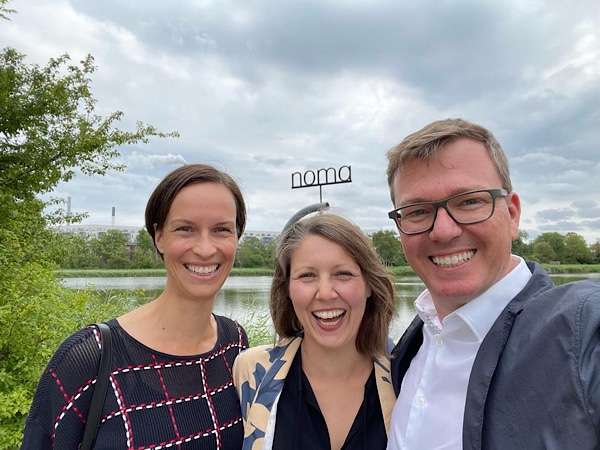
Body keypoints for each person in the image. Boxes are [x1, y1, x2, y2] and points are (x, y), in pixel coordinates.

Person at [385, 118, 600, 450]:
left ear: (512, 214)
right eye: (417, 211)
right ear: (401, 231)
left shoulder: (582, 330)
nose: (443, 231)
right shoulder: (412, 344)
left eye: (469, 201)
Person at [22, 164, 249, 449]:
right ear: (159, 236)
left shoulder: (236, 345)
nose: (205, 248)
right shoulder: (90, 359)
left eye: (221, 230)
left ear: (236, 238)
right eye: (185, 229)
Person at [233, 214, 397, 450]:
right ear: (287, 288)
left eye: (343, 274)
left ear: (370, 284)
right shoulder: (252, 373)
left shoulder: (404, 375)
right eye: (307, 275)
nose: (325, 293)